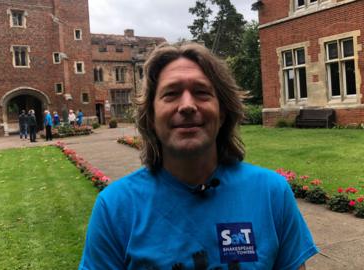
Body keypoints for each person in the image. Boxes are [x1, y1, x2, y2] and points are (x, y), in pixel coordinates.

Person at [79, 43, 318, 269]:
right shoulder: (115, 208)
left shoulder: (271, 193)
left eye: (201, 92)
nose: (187, 105)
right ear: (151, 116)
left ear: (222, 112)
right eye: (171, 94)